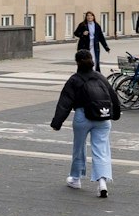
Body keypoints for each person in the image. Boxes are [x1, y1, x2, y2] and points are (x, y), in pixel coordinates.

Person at [51, 49, 122, 198]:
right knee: (101, 149)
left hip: (82, 116)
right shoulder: (101, 77)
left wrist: (57, 122)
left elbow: (65, 102)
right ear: (92, 60)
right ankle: (102, 183)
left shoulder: (74, 80)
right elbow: (113, 98)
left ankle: (76, 178)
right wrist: (115, 115)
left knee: (79, 147)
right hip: (103, 117)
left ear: (77, 62)